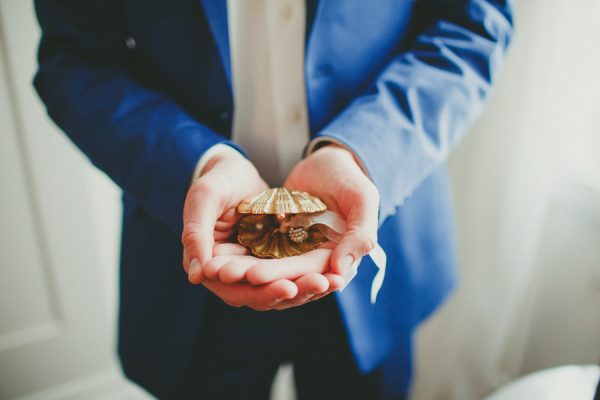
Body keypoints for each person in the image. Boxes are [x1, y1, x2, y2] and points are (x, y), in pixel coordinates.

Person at [33, 0, 514, 399]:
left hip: (368, 251)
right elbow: (74, 59)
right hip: (196, 260)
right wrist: (197, 164)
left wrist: (362, 151)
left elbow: (471, 27)